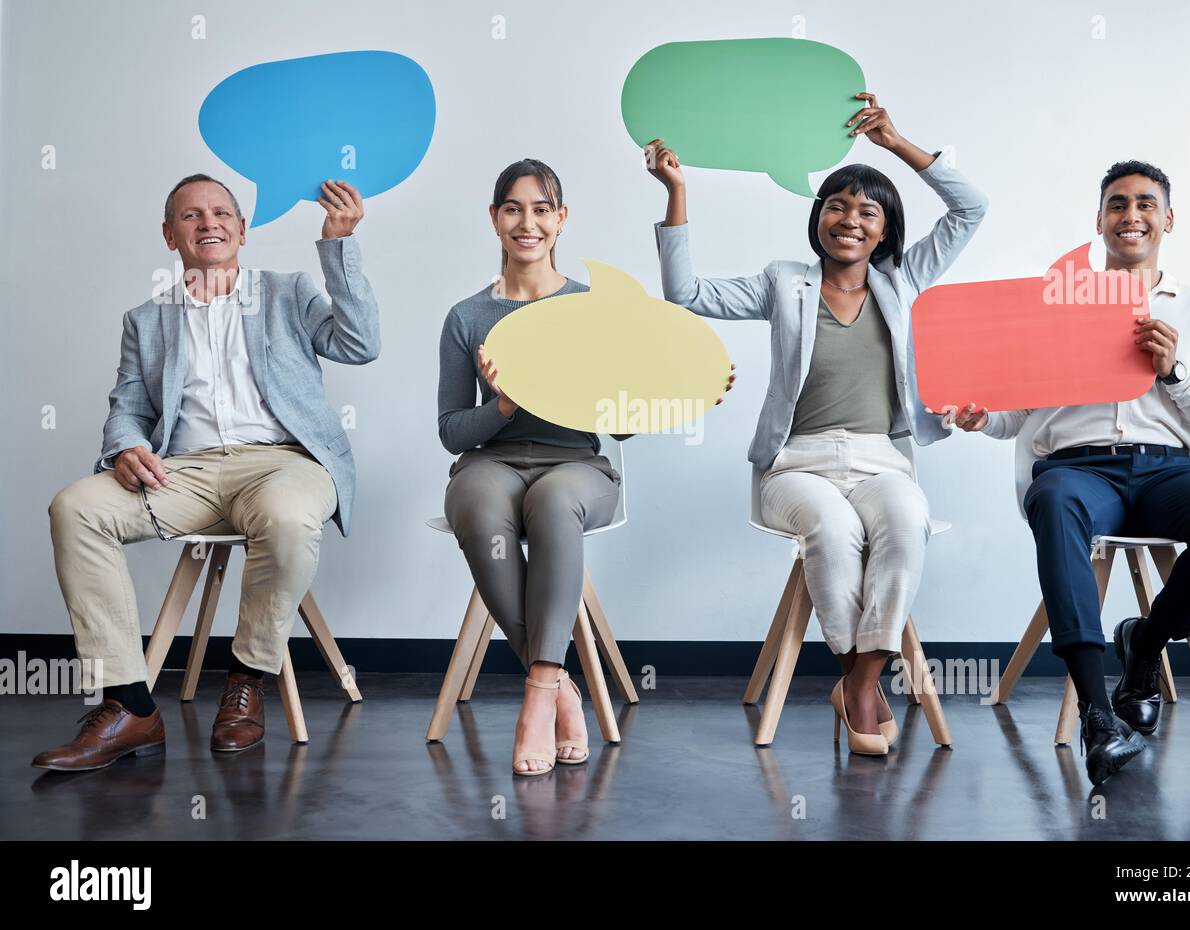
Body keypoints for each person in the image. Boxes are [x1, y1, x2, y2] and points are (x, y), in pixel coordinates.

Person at [646, 92, 987, 755]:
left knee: (906, 521)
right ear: (817, 217)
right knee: (832, 530)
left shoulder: (904, 281)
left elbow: (972, 206)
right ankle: (860, 686)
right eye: (837, 205)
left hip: (882, 460)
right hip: (795, 464)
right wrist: (677, 192)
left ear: (886, 229)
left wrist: (897, 143)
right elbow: (684, 293)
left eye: (868, 210)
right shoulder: (785, 282)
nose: (850, 218)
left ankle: (861, 680)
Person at [34, 174, 379, 771]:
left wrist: (338, 245)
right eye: (191, 216)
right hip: (184, 475)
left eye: (221, 212)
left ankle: (246, 683)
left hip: (283, 463)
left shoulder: (287, 291)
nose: (209, 223)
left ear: (243, 229)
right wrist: (124, 449)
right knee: (76, 506)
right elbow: (128, 410)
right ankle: (130, 706)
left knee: (287, 515)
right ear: (170, 235)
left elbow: (360, 344)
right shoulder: (146, 319)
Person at [947, 160, 1190, 786]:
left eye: (1145, 204)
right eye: (1117, 205)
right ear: (1099, 220)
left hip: (1168, 471)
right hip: (1079, 470)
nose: (1131, 215)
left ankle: (1144, 645)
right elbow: (1019, 415)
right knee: (1055, 499)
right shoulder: (1055, 306)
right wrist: (984, 418)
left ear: (1167, 220)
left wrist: (1176, 374)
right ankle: (1097, 712)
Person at [439, 158, 733, 776]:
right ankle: (560, 685)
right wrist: (505, 403)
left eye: (542, 209)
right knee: (476, 507)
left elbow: (620, 422)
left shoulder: (591, 306)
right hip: (491, 462)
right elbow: (451, 432)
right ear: (494, 219)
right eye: (514, 209)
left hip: (577, 466)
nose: (528, 223)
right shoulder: (467, 317)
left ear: (561, 219)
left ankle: (537, 694)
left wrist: (690, 389)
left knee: (551, 506)